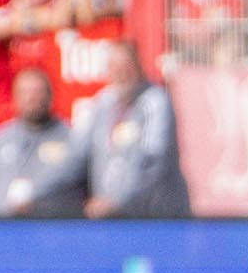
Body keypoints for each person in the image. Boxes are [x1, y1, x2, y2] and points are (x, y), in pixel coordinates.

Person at [76, 40, 192, 218]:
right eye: (114, 67)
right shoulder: (102, 104)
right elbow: (78, 153)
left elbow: (153, 160)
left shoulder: (155, 101)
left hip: (155, 219)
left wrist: (118, 201)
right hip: (111, 218)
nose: (120, 73)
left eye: (126, 66)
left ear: (139, 66)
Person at [0, 67, 87, 218]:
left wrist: (34, 193)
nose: (32, 98)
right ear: (15, 97)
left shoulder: (71, 138)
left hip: (54, 231)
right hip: (5, 231)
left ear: (51, 95)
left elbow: (80, 180)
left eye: (38, 91)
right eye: (25, 92)